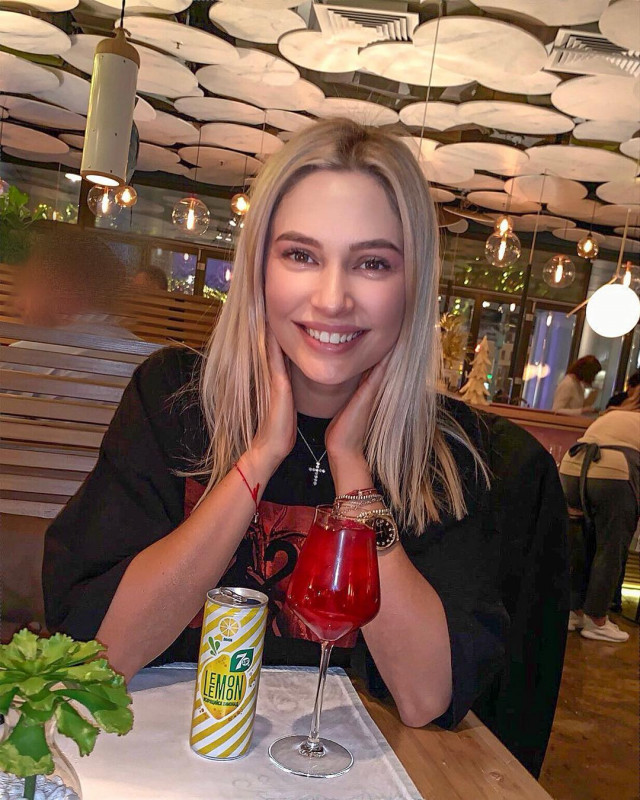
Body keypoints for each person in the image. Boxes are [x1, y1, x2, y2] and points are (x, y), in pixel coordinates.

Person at [42, 120, 567, 768]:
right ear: (260, 268)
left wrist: (352, 469)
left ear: (411, 286)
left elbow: (425, 696)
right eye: (301, 255)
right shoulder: (173, 399)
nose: (332, 298)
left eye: (372, 263)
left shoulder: (457, 456)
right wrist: (261, 456)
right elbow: (104, 654)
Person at [559, 385, 640, 642]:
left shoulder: (617, 413)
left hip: (572, 467)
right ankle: (596, 620)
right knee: (610, 548)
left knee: (580, 544)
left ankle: (572, 611)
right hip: (613, 473)